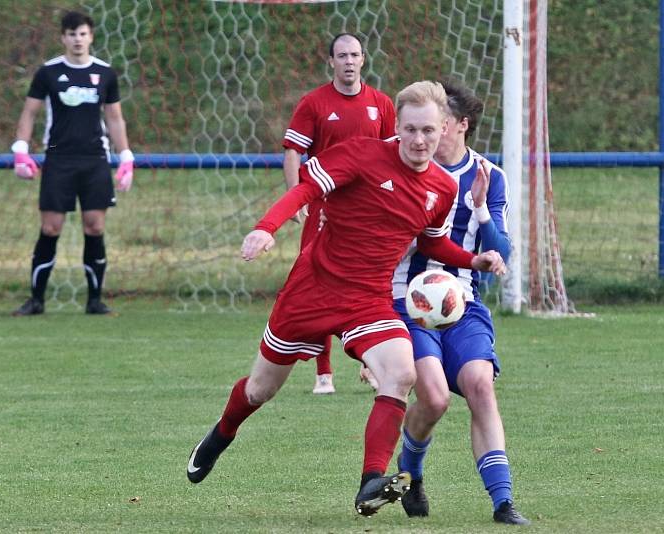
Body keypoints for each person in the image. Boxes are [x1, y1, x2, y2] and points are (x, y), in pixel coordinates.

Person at [187, 80, 507, 518]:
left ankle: (370, 482)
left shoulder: (441, 188)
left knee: (400, 373)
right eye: (411, 129)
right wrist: (266, 227)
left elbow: (432, 243)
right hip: (312, 290)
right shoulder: (360, 155)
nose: (419, 140)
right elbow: (303, 192)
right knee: (260, 389)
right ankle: (223, 432)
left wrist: (474, 260)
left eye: (429, 131)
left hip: (369, 298)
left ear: (446, 128)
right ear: (397, 125)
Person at [392, 79, 530, 525]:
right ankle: (410, 473)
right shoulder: (403, 171)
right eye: (419, 127)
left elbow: (501, 252)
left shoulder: (488, 176)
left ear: (457, 126)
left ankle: (503, 502)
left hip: (461, 304)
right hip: (406, 305)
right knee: (433, 400)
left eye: (437, 124)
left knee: (480, 384)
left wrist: (482, 210)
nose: (424, 135)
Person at [282, 32, 396, 394]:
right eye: (342, 55)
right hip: (324, 205)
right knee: (317, 279)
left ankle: (372, 363)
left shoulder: (381, 103)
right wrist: (295, 199)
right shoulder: (313, 103)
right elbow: (292, 153)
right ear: (330, 61)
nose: (349, 61)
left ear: (364, 60)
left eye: (355, 55)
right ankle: (323, 373)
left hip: (367, 209)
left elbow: (395, 156)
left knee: (368, 280)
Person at [10, 10, 134, 316]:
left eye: (82, 33)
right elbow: (29, 113)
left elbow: (115, 118)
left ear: (90, 36)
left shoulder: (105, 73)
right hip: (58, 159)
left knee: (95, 226)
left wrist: (126, 156)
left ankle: (95, 301)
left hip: (94, 160)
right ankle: (36, 300)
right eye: (71, 34)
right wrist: (21, 150)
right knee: (51, 228)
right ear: (62, 38)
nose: (77, 39)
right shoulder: (48, 73)